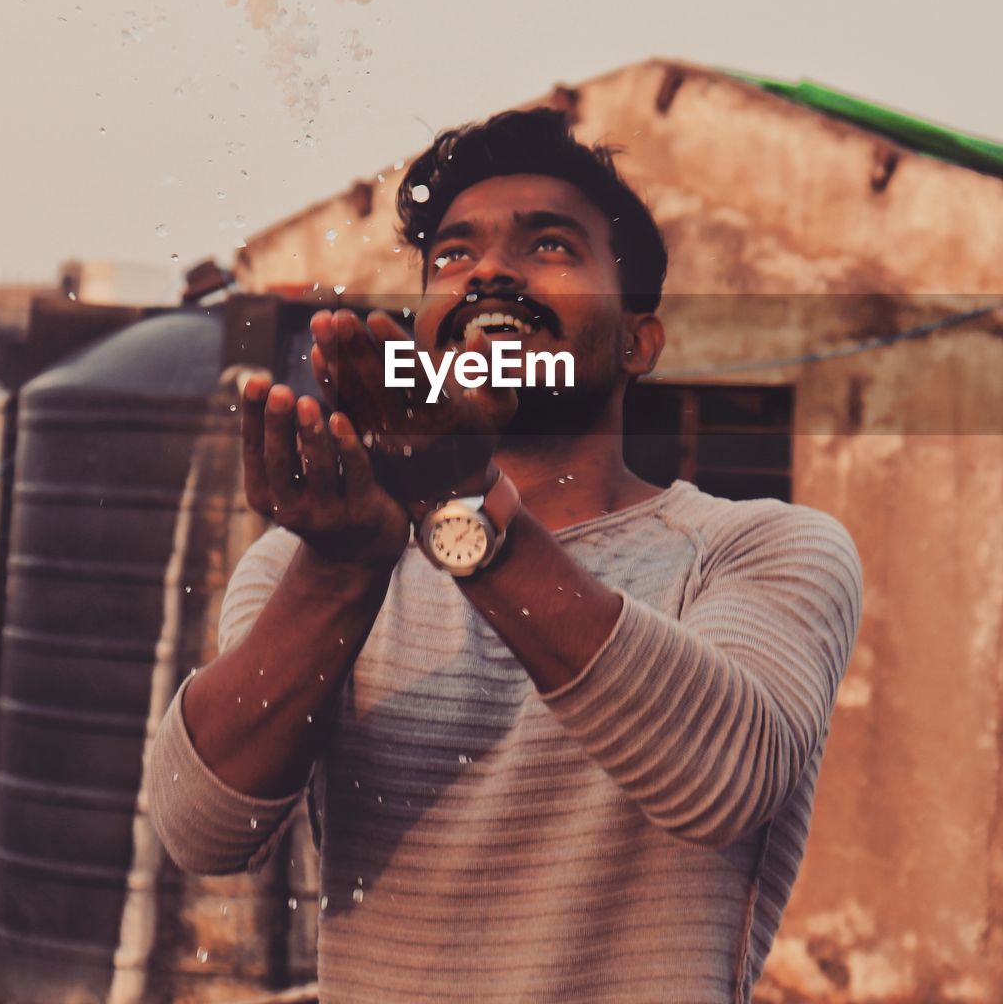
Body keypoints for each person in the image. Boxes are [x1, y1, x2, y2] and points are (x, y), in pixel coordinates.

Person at [149, 108, 863, 1003]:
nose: (488, 270)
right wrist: (338, 570)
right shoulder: (325, 561)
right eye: (453, 256)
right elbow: (199, 831)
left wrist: (461, 511)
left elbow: (723, 780)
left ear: (640, 340)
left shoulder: (760, 549)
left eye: (552, 246)